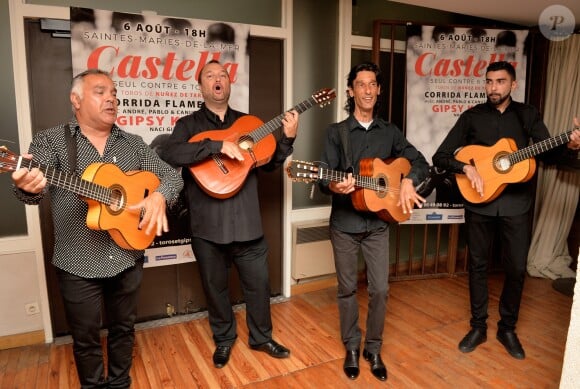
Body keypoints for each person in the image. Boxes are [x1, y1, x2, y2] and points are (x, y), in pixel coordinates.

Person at [11, 69, 183, 388]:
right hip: (77, 261)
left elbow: (172, 176)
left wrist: (160, 195)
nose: (111, 99)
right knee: (85, 337)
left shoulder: (132, 143)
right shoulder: (51, 140)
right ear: (75, 100)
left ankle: (120, 382)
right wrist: (28, 185)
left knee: (124, 328)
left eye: (114, 93)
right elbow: (31, 191)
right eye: (101, 91)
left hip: (127, 253)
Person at [432, 61, 580, 360]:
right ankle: (478, 326)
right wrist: (466, 168)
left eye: (500, 81)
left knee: (515, 268)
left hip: (517, 204)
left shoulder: (528, 115)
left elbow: (551, 155)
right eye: (488, 82)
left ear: (513, 85)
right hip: (478, 202)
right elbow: (441, 155)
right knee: (477, 266)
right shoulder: (472, 116)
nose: (492, 87)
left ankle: (507, 328)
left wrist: (573, 146)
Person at [160, 60, 298, 368]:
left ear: (229, 83)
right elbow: (171, 153)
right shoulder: (189, 124)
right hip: (207, 226)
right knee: (215, 288)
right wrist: (217, 146)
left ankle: (262, 337)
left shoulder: (249, 123)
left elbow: (270, 162)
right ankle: (224, 339)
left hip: (249, 223)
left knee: (259, 285)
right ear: (201, 87)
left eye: (222, 74)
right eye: (209, 75)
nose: (217, 79)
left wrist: (287, 139)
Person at [318, 62, 429, 381]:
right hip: (345, 224)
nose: (367, 90)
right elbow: (325, 172)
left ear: (378, 90)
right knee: (347, 288)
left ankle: (374, 348)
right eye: (360, 84)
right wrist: (334, 184)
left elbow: (418, 161)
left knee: (380, 289)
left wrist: (409, 181)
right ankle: (352, 346)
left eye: (372, 84)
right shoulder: (336, 132)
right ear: (351, 91)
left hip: (379, 224)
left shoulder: (390, 132)